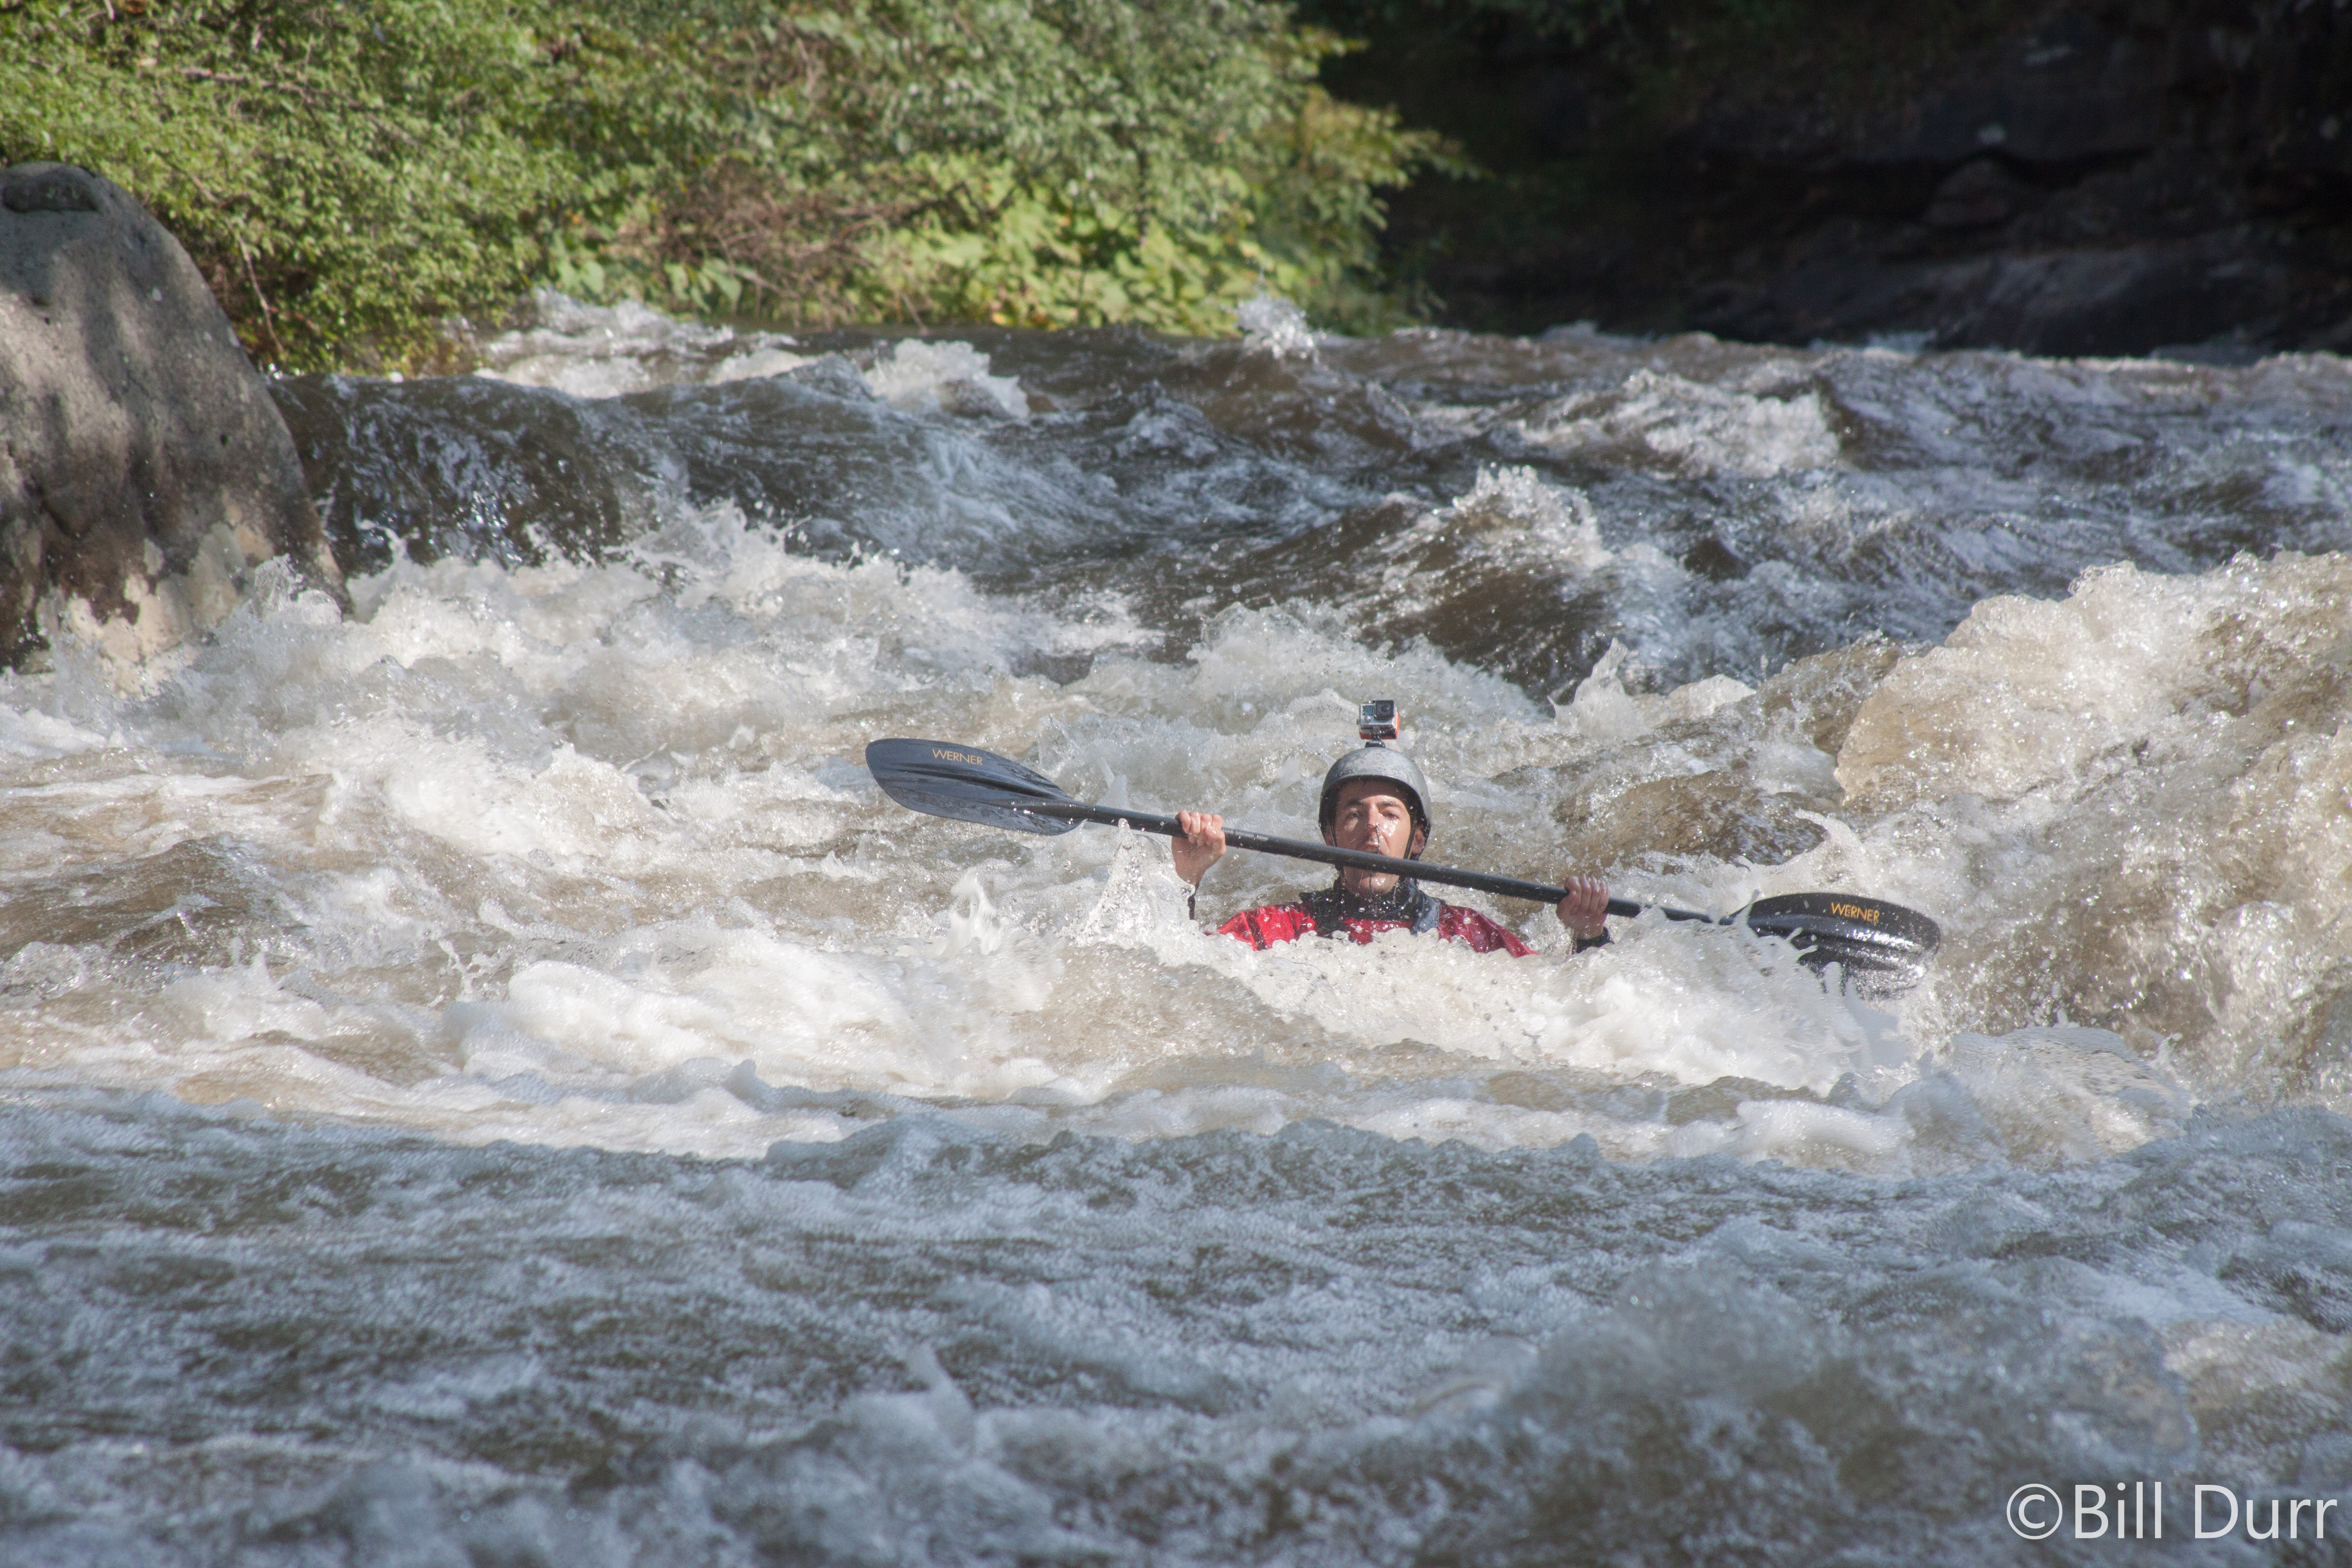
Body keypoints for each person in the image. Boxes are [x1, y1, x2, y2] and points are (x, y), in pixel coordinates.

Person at [1170, 739, 1611, 955]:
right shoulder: (1276, 929)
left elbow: (1573, 1008)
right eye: (1354, 814)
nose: (1372, 828)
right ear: (1330, 837)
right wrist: (1188, 878)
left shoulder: (1468, 934)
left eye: (1390, 814)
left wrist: (1588, 934)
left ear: (1417, 839)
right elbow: (1182, 967)